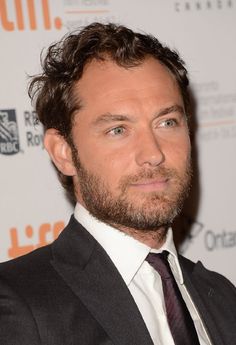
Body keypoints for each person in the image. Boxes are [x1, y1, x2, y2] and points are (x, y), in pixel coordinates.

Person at [0, 22, 235, 345]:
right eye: (118, 130)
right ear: (64, 152)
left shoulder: (222, 296)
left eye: (167, 122)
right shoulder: (17, 304)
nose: (153, 154)